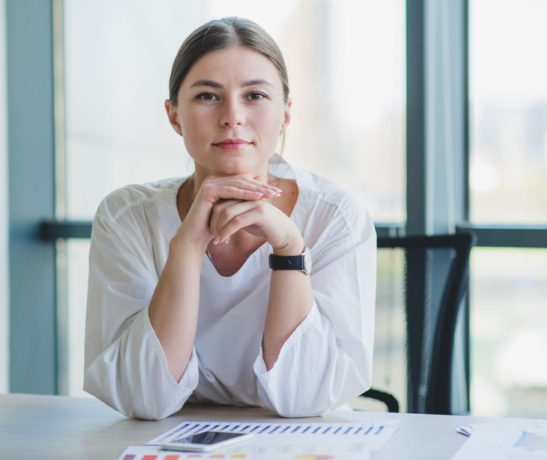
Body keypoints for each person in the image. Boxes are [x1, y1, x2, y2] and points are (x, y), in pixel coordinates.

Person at [83, 17, 376, 420]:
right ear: (174, 116)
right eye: (207, 96)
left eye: (255, 95)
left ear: (286, 114)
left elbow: (306, 399)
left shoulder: (337, 216)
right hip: (166, 442)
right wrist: (187, 245)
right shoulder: (126, 217)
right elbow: (142, 398)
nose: (232, 116)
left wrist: (289, 248)